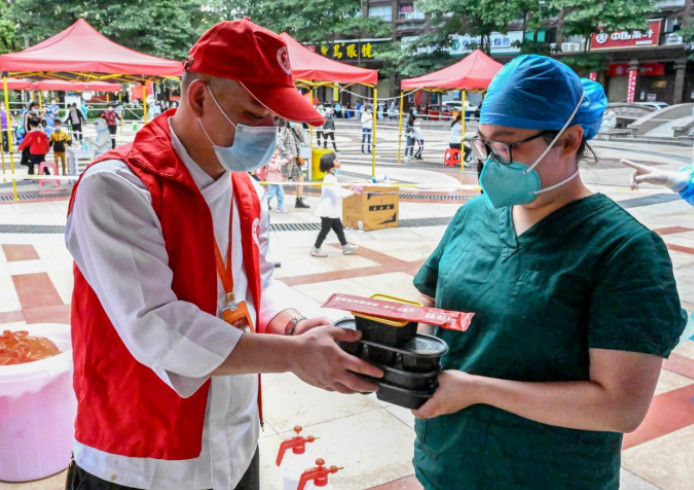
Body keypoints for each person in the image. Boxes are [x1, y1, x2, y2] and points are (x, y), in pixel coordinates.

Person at [64, 19, 381, 490]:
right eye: (255, 114)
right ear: (198, 99)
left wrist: (292, 326)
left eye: (277, 117)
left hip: (234, 445)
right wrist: (293, 356)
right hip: (142, 458)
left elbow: (258, 286)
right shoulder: (119, 188)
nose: (269, 131)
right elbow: (156, 325)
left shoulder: (245, 190)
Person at [410, 55, 686, 490]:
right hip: (447, 463)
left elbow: (621, 407)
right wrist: (388, 344)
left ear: (569, 141)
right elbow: (430, 304)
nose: (490, 162)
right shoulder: (474, 215)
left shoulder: (624, 250)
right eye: (483, 144)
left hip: (549, 474)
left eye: (507, 145)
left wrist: (478, 389)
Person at [311, 152, 359, 257]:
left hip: (331, 210)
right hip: (327, 210)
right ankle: (316, 248)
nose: (339, 162)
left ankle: (345, 246)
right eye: (336, 160)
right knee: (325, 230)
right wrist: (351, 192)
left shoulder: (332, 177)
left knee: (338, 228)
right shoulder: (329, 178)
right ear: (330, 164)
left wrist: (349, 190)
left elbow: (337, 190)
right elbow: (337, 194)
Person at [278, 119, 310, 208]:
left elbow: (303, 140)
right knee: (283, 181)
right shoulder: (284, 130)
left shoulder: (293, 131)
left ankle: (299, 200)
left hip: (296, 159)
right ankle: (269, 199)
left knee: (300, 178)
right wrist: (287, 154)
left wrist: (298, 130)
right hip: (288, 160)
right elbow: (279, 143)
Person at [263, 148, 288, 213]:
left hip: (278, 180)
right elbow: (273, 168)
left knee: (281, 194)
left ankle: (280, 207)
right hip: (271, 180)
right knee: (271, 194)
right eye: (276, 151)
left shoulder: (277, 159)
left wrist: (288, 159)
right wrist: (278, 161)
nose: (277, 152)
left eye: (278, 151)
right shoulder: (268, 159)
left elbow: (281, 163)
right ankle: (260, 202)